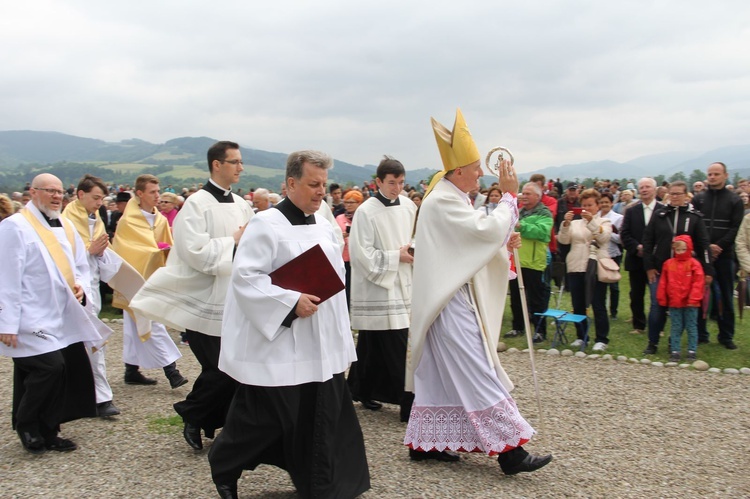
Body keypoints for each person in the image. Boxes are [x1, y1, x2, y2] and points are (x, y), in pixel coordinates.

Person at [208, 150, 369, 499]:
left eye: (323, 185)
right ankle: (224, 466)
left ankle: (321, 484)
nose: (320, 191)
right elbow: (246, 278)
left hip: (320, 342)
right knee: (266, 418)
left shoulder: (326, 226)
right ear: (291, 183)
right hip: (281, 340)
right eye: (313, 184)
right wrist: (290, 302)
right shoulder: (266, 224)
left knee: (320, 416)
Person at [405, 108, 551, 475]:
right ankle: (511, 452)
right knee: (476, 369)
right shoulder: (442, 200)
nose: (480, 173)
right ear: (457, 172)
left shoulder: (453, 198)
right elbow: (480, 234)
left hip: (450, 296)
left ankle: (426, 443)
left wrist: (503, 239)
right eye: (474, 168)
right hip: (448, 301)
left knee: (441, 373)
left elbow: (473, 240)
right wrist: (509, 199)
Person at [130, 141, 254, 451]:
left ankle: (213, 422)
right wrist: (234, 241)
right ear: (216, 165)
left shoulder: (241, 203)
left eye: (241, 162)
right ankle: (193, 414)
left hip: (235, 300)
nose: (240, 167)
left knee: (234, 368)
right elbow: (193, 252)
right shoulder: (196, 205)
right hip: (205, 301)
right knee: (220, 368)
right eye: (234, 162)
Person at [0, 173, 106, 454]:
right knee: (49, 367)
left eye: (60, 191)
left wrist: (81, 286)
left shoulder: (67, 226)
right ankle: (26, 424)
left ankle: (49, 430)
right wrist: (6, 322)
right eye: (49, 191)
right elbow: (6, 277)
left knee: (61, 371)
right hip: (29, 316)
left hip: (60, 314)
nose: (57, 196)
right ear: (33, 193)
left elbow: (80, 265)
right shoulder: (15, 227)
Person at [348, 156, 417, 420]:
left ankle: (359, 388)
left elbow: (413, 236)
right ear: (378, 181)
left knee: (372, 344)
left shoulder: (409, 206)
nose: (396, 188)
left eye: (401, 182)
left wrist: (411, 250)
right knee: (396, 344)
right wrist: (394, 256)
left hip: (403, 282)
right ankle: (409, 403)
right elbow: (360, 254)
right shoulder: (367, 211)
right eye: (391, 183)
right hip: (379, 287)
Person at [111, 174, 187, 387]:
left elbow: (166, 244)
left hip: (154, 278)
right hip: (134, 279)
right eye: (152, 192)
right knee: (151, 323)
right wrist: (154, 251)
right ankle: (172, 371)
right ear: (140, 194)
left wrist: (165, 252)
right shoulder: (128, 220)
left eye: (158, 191)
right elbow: (125, 250)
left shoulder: (160, 219)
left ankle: (131, 370)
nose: (157, 196)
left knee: (135, 327)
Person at [63, 174, 124, 417]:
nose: (100, 203)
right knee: (89, 340)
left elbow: (98, 253)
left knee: (92, 341)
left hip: (93, 283)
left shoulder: (95, 217)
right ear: (80, 194)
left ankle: (93, 396)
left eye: (102, 198)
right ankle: (99, 397)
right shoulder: (65, 219)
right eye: (95, 198)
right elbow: (63, 254)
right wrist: (90, 251)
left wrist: (100, 253)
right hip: (75, 287)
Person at [642, 180, 713, 355]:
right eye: (671, 194)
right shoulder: (660, 215)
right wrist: (649, 266)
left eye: (678, 194)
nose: (674, 197)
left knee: (681, 307)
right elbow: (648, 240)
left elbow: (704, 245)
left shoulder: (695, 217)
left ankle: (673, 342)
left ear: (686, 195)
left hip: (685, 272)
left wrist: (707, 270)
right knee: (657, 305)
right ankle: (653, 341)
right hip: (661, 269)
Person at [691, 162, 744, 349]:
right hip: (701, 255)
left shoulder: (734, 200)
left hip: (725, 255)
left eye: (716, 174)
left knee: (726, 297)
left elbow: (735, 228)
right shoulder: (699, 199)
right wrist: (705, 247)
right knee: (699, 295)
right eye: (710, 174)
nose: (712, 177)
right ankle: (700, 333)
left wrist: (719, 246)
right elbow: (695, 226)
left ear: (725, 175)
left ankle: (726, 336)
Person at [557, 188, 613, 351]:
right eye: (584, 205)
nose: (586, 209)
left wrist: (591, 222)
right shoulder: (575, 223)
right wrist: (566, 224)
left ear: (597, 206)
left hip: (595, 265)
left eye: (590, 205)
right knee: (578, 303)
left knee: (598, 303)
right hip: (576, 264)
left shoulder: (604, 222)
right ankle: (582, 336)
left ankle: (602, 338)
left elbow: (604, 238)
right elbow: (564, 240)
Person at [504, 182, 553, 342]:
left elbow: (542, 232)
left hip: (533, 263)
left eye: (528, 194)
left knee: (536, 299)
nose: (524, 196)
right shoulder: (518, 212)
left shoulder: (545, 213)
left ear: (538, 197)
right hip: (516, 262)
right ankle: (518, 327)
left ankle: (540, 330)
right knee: (516, 298)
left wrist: (521, 225)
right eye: (523, 193)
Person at [620, 178, 663, 336]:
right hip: (636, 259)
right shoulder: (632, 210)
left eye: (648, 187)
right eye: (641, 187)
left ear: (655, 189)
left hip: (656, 261)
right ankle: (639, 325)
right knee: (636, 294)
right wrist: (637, 247)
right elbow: (624, 233)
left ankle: (659, 327)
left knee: (657, 295)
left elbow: (666, 235)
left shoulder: (664, 210)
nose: (644, 190)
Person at [656, 235, 705, 362]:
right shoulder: (668, 264)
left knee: (691, 326)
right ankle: (675, 350)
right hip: (675, 302)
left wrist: (694, 299)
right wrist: (662, 298)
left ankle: (692, 350)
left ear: (689, 249)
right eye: (678, 250)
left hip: (690, 303)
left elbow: (698, 283)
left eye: (683, 249)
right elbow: (663, 283)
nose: (681, 252)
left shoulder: (694, 264)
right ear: (674, 250)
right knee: (675, 326)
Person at [335, 189, 364, 309]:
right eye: (346, 202)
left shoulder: (362, 217)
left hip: (358, 257)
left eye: (352, 202)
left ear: (359, 203)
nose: (348, 205)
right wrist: (341, 236)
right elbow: (335, 233)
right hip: (344, 257)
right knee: (345, 286)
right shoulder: (339, 218)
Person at [597, 192, 623, 320]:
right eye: (601, 202)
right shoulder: (594, 216)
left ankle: (613, 311)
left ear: (612, 203)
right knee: (599, 283)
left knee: (613, 284)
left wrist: (606, 233)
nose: (604, 205)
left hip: (613, 253)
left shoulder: (618, 218)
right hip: (598, 253)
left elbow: (620, 239)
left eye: (606, 202)